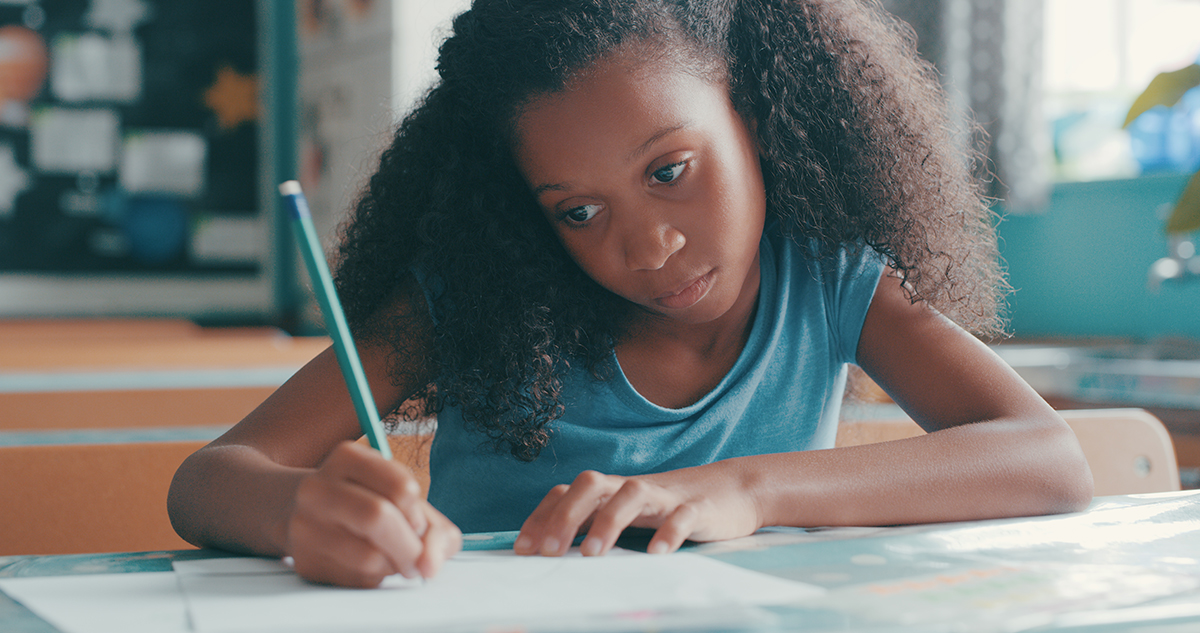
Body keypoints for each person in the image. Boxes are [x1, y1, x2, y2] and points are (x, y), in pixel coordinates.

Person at [168, 0, 1094, 589]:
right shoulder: (467, 303)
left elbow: (1047, 458)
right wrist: (300, 514)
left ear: (758, 115)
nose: (647, 244)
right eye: (576, 211)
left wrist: (747, 487)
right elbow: (208, 479)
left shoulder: (829, 281)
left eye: (671, 168)